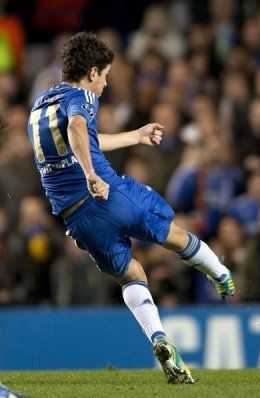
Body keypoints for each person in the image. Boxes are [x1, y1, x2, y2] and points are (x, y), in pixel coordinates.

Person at [26, 32, 235, 384]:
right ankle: (221, 274)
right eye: (105, 74)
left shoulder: (41, 103)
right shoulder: (82, 97)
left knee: (133, 274)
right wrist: (92, 174)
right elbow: (79, 127)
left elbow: (84, 140)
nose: (107, 83)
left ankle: (158, 338)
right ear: (92, 72)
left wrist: (134, 137)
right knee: (172, 233)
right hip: (107, 193)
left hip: (76, 217)